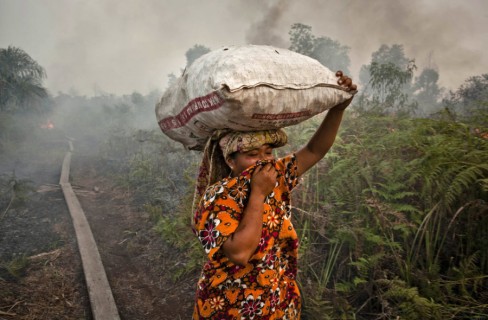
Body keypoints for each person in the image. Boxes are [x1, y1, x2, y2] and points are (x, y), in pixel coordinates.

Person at [192, 73, 356, 319]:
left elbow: (314, 150)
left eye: (268, 152)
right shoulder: (218, 196)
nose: (264, 160)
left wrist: (338, 109)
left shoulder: (275, 177)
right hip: (232, 306)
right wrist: (258, 193)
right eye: (252, 154)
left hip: (277, 300)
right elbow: (239, 254)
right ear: (230, 160)